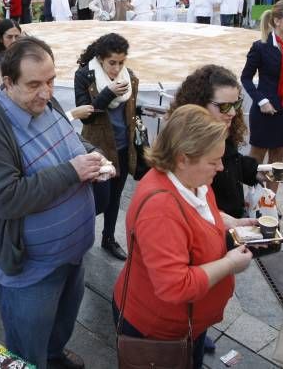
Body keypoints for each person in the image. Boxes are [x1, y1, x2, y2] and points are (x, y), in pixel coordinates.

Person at [0, 37, 103, 369]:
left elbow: (69, 137)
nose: (46, 92)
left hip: (71, 255)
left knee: (62, 322)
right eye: (34, 85)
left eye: (51, 80)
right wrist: (73, 171)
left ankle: (54, 354)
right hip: (32, 268)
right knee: (26, 347)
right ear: (8, 82)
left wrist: (88, 153)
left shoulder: (46, 102)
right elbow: (6, 199)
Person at [111, 105, 254, 369]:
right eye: (213, 161)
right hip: (159, 330)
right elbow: (174, 285)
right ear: (183, 158)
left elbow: (200, 213)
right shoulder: (160, 210)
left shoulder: (193, 181)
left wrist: (232, 223)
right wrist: (231, 264)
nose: (221, 167)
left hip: (187, 323)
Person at [74, 34, 138, 260]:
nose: (117, 67)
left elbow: (129, 112)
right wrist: (108, 93)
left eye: (121, 62)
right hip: (97, 150)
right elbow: (85, 117)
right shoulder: (84, 76)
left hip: (123, 148)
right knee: (95, 200)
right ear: (101, 59)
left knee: (115, 198)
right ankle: (78, 237)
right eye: (112, 62)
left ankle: (108, 237)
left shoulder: (129, 77)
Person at [171, 65, 259, 218]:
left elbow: (232, 163)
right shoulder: (186, 146)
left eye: (236, 104)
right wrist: (224, 223)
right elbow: (188, 205)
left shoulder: (223, 129)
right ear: (199, 103)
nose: (232, 112)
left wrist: (259, 171)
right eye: (224, 106)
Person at [241, 0, 283, 191]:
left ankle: (270, 201)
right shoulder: (260, 47)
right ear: (278, 21)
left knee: (278, 161)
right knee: (256, 158)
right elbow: (245, 78)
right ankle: (249, 198)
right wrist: (262, 101)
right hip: (265, 112)